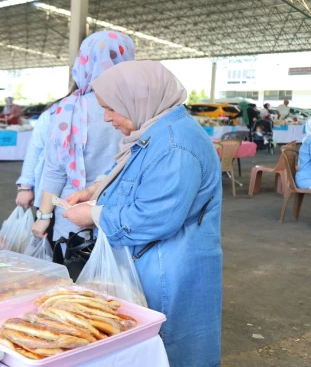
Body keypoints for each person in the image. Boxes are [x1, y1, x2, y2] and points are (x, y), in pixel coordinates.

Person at [62, 61, 222, 366]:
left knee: (171, 344)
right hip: (151, 260)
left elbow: (156, 216)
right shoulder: (156, 131)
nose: (107, 118)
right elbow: (142, 179)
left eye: (111, 108)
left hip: (169, 268)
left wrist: (94, 215)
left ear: (136, 101)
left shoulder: (175, 144)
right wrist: (97, 189)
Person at [31, 31, 132, 244]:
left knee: (71, 275)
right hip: (123, 214)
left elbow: (55, 169)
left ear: (83, 61)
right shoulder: (140, 106)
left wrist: (44, 216)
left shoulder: (68, 108)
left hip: (72, 215)